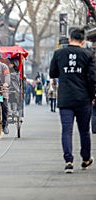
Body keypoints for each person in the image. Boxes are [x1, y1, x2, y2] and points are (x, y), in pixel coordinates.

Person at [49, 28, 96, 173]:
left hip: (65, 99)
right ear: (83, 41)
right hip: (83, 98)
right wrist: (93, 96)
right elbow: (92, 78)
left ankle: (68, 161)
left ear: (70, 39)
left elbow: (52, 73)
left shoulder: (58, 53)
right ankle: (86, 159)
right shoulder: (89, 55)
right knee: (84, 131)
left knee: (66, 130)